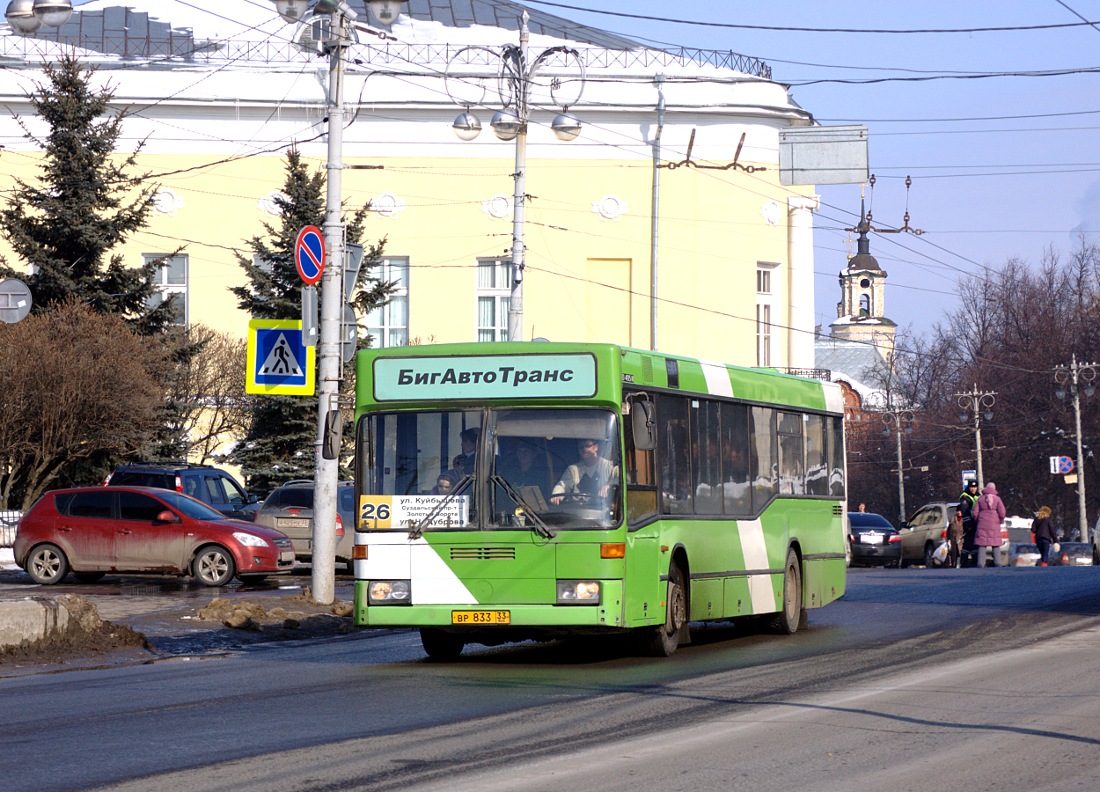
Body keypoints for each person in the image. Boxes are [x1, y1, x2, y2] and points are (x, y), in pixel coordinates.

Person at [550, 438, 619, 506]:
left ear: (596, 447)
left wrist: (608, 485)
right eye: (581, 447)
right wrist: (556, 495)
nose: (584, 449)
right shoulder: (573, 469)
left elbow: (623, 479)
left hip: (602, 511)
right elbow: (563, 485)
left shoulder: (610, 466)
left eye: (587, 446)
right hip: (578, 511)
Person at [972, 481, 1006, 567]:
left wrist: (978, 520)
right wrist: (1000, 520)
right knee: (995, 544)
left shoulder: (980, 499)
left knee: (982, 544)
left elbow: (975, 513)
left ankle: (980, 563)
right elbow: (1002, 512)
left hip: (982, 523)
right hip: (994, 524)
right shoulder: (997, 499)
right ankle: (998, 563)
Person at [958, 479, 980, 567]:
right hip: (970, 524)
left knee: (975, 544)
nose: (973, 489)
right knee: (967, 543)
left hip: (976, 523)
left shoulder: (978, 495)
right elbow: (965, 511)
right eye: (971, 487)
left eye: (974, 487)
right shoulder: (965, 496)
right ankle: (964, 562)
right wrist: (968, 525)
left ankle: (975, 561)